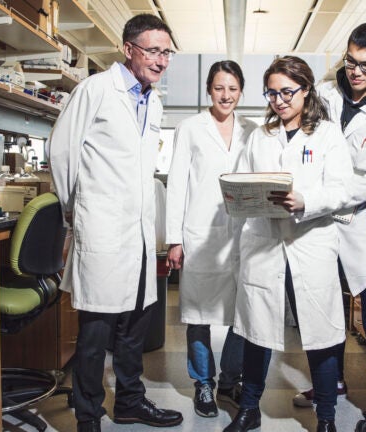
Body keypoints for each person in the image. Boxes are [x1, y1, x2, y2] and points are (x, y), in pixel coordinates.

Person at [48, 14, 183, 432]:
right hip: (103, 225)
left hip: (139, 231)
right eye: (153, 50)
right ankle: (88, 414)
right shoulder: (95, 90)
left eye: (167, 52)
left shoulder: (153, 99)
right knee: (96, 330)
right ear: (128, 49)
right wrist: (81, 208)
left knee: (135, 322)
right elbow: (61, 153)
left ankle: (129, 401)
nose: (161, 60)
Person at [224, 56, 353, 432]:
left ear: (306, 90)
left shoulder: (327, 134)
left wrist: (306, 202)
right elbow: (246, 181)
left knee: (320, 332)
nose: (279, 100)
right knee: (256, 329)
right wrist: (238, 196)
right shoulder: (260, 136)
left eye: (287, 92)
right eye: (272, 93)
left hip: (310, 243)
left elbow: (343, 190)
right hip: (264, 242)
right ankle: (249, 410)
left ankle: (326, 417)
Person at [292, 21, 366, 410]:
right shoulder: (325, 96)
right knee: (318, 298)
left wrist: (332, 196)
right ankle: (332, 380)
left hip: (358, 215)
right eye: (350, 62)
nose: (356, 72)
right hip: (316, 214)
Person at [165, 60, 257, 418]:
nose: (226, 95)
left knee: (243, 311)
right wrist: (175, 239)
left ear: (241, 92)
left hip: (243, 233)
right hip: (200, 234)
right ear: (209, 90)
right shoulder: (189, 128)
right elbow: (176, 186)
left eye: (233, 89)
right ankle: (203, 383)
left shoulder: (253, 130)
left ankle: (230, 378)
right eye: (220, 88)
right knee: (198, 313)